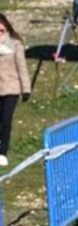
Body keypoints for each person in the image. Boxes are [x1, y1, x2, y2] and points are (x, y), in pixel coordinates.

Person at [0, 15, 31, 167]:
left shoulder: (15, 44)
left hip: (11, 88)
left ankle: (3, 152)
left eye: (1, 29)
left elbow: (22, 66)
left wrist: (26, 89)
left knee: (6, 120)